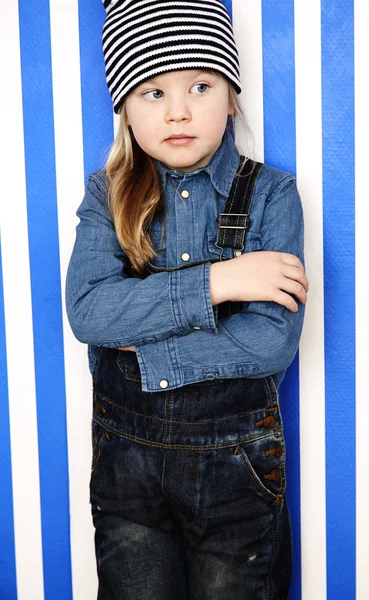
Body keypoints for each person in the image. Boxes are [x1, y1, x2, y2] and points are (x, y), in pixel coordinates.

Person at [65, 1, 309, 598]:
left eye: (199, 85)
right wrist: (220, 283)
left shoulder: (273, 196)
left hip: (235, 477)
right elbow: (88, 311)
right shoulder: (108, 196)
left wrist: (142, 345)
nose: (178, 111)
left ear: (230, 96)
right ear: (123, 108)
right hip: (129, 482)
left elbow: (270, 342)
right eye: (152, 92)